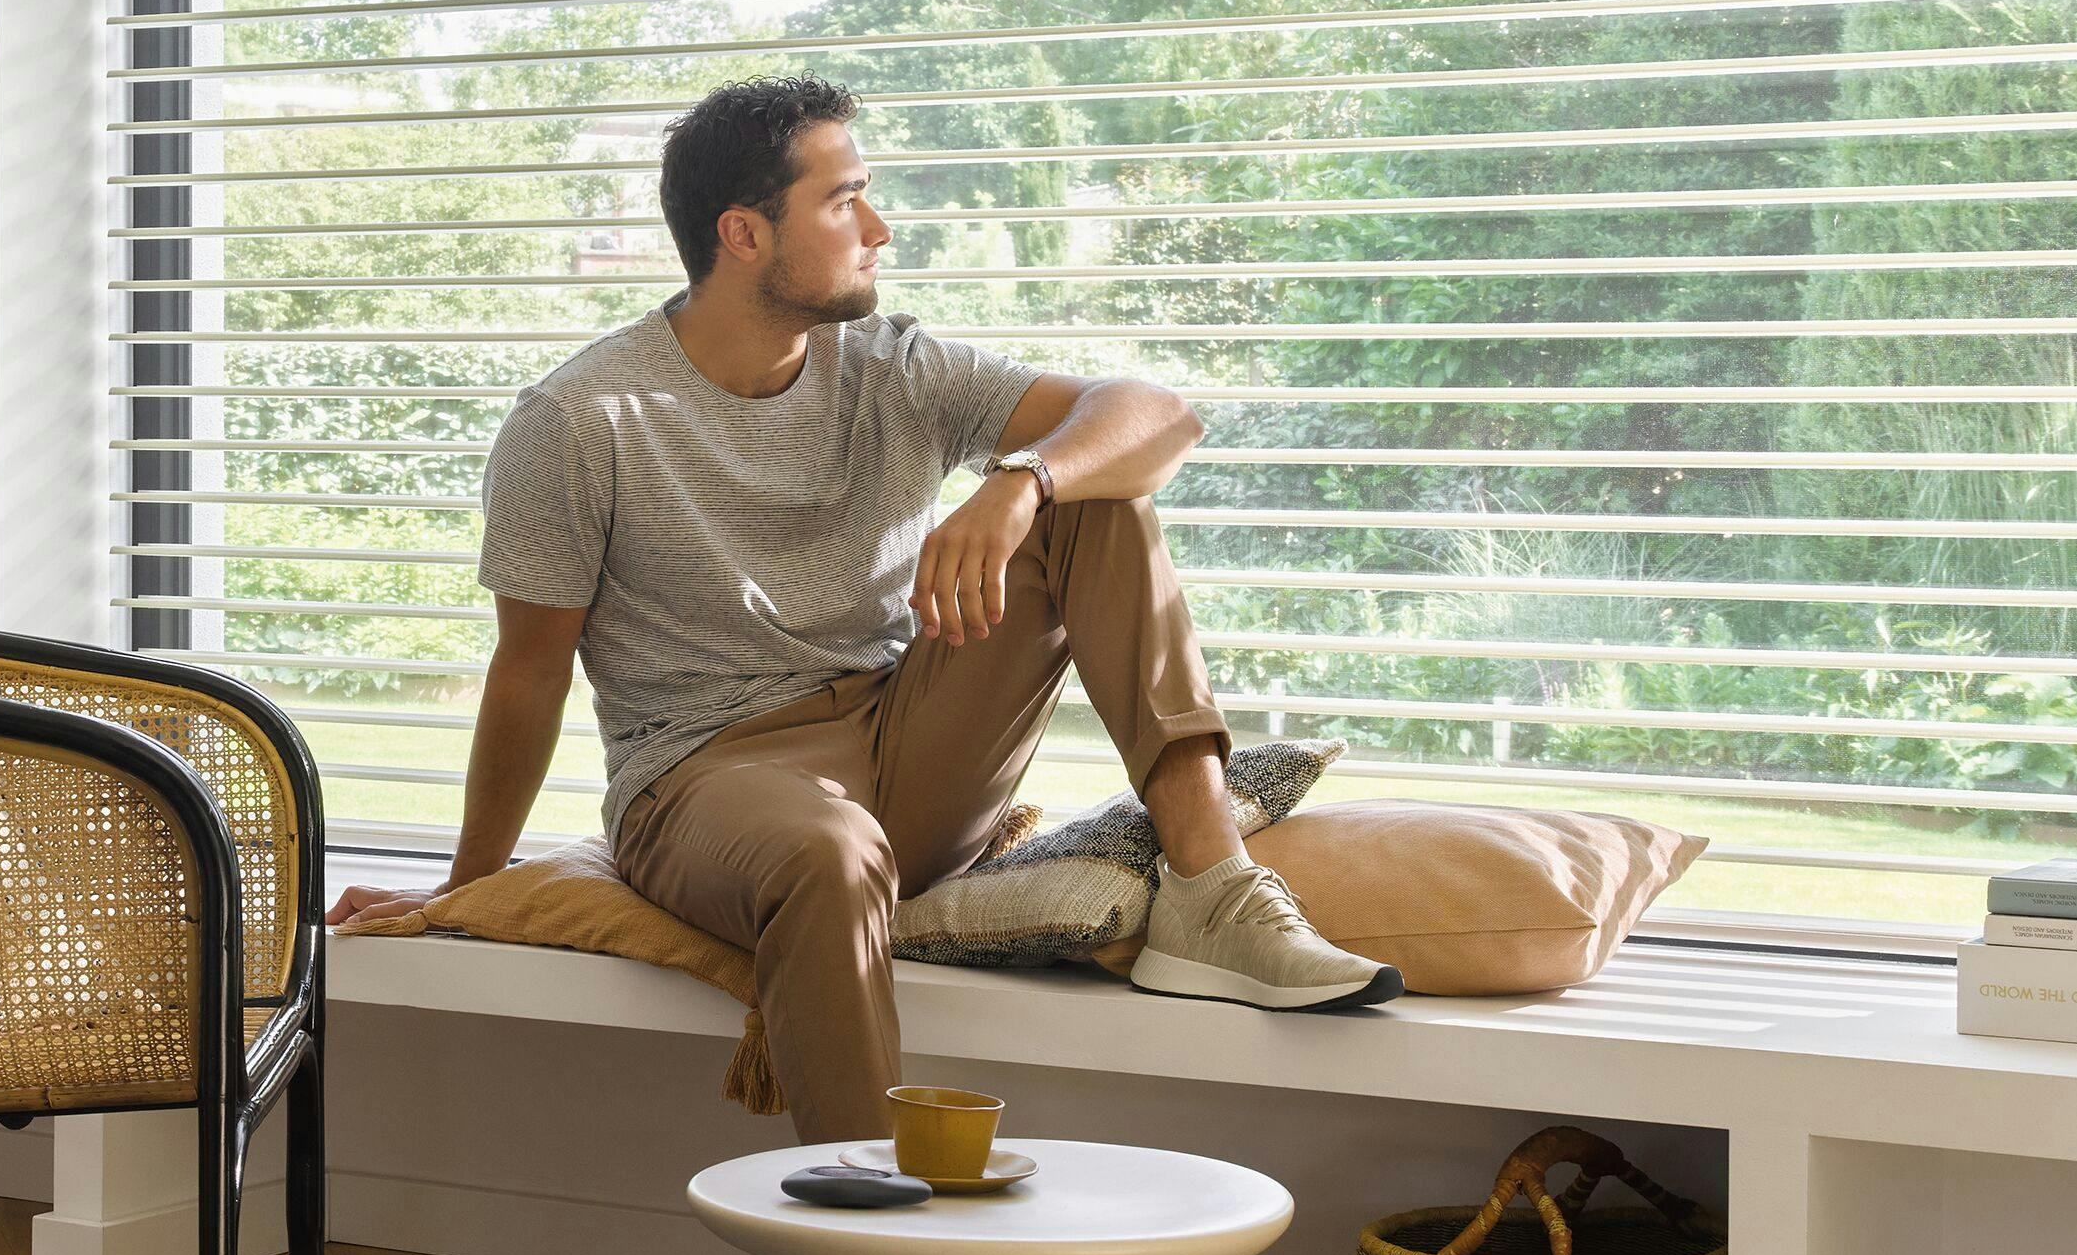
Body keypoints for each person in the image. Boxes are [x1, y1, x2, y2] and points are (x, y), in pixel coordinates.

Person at [327, 75, 1398, 1144]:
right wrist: (466, 888)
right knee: (828, 855)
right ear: (744, 233)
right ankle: (869, 1227)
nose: (879, 229)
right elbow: (528, 671)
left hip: (904, 737)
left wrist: (1018, 483)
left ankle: (1215, 894)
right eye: (844, 202)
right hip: (711, 782)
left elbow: (1158, 416)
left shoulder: (894, 367)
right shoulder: (579, 420)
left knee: (1093, 496)